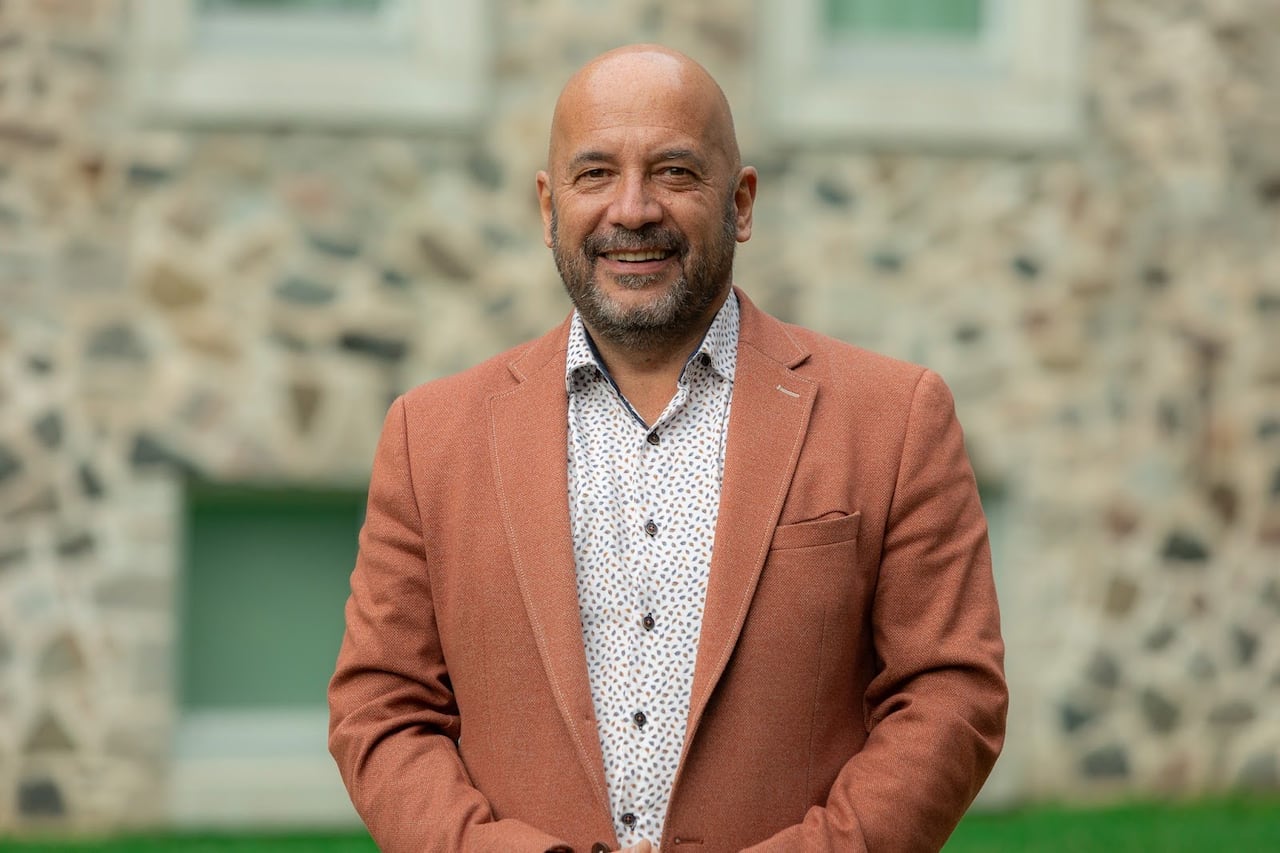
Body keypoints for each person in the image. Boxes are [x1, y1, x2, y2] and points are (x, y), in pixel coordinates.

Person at [328, 44, 1007, 853]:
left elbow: (949, 693)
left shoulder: (895, 419)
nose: (633, 209)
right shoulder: (428, 438)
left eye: (675, 172)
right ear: (547, 208)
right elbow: (381, 708)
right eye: (594, 175)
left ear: (742, 202)